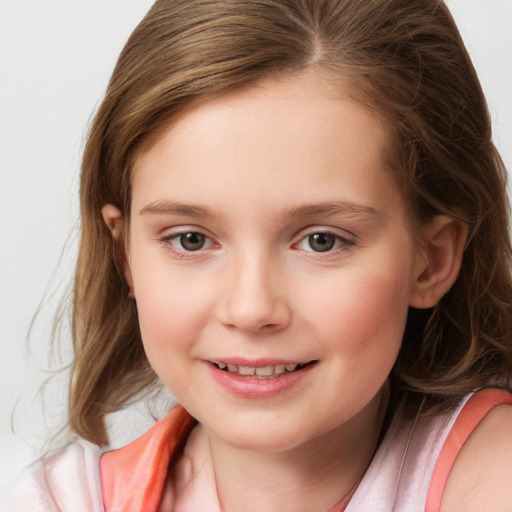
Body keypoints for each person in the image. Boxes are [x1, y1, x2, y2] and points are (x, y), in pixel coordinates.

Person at [3, 0, 512, 510]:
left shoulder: (492, 477)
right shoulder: (64, 500)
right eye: (191, 239)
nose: (249, 309)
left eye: (321, 240)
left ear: (431, 259)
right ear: (126, 255)